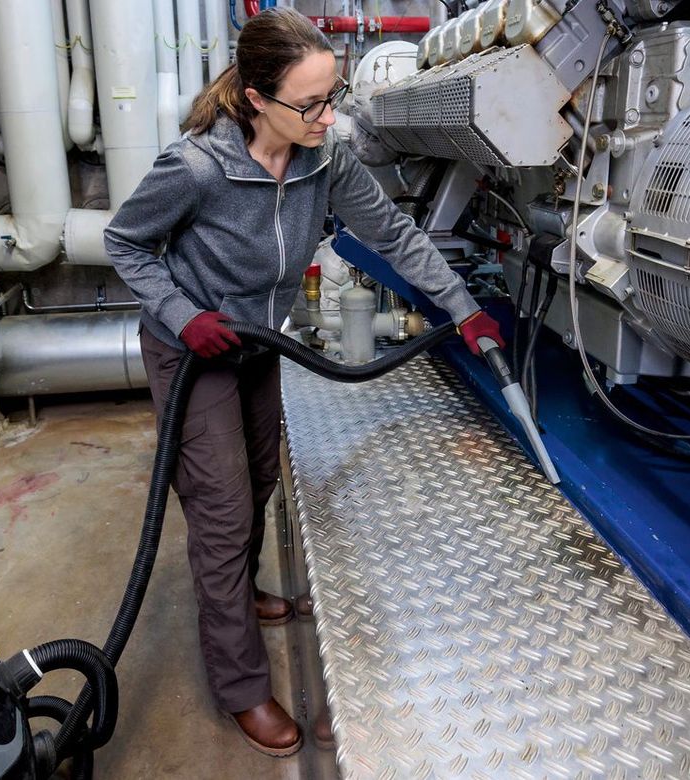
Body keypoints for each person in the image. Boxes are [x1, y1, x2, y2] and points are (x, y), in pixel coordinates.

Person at [104, 7, 505, 757]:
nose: (331, 116)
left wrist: (464, 308)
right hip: (193, 349)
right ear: (257, 98)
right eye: (312, 103)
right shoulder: (194, 167)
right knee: (221, 512)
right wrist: (183, 314)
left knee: (256, 479)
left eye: (335, 95)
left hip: (257, 344)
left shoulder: (327, 161)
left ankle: (244, 594)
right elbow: (125, 244)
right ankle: (242, 686)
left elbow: (392, 234)